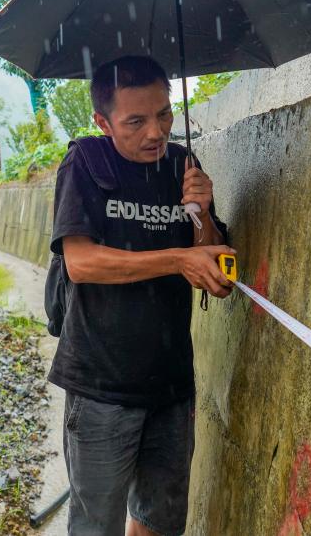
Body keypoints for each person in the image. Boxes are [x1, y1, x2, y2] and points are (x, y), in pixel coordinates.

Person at [50, 55, 235, 536]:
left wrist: (202, 213)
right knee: (96, 525)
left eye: (164, 115)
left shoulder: (182, 164)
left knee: (159, 520)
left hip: (172, 385)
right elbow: (82, 263)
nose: (155, 132)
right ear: (103, 121)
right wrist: (176, 259)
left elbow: (211, 263)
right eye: (136, 121)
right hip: (101, 386)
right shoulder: (86, 162)